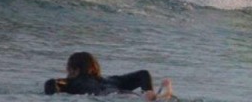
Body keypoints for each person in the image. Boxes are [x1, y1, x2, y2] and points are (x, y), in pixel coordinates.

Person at [44, 52, 173, 101]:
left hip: (109, 98)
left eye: (68, 69)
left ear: (75, 70)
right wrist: (148, 90)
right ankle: (152, 95)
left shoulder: (72, 82)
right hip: (128, 94)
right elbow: (143, 74)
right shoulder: (112, 79)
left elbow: (50, 83)